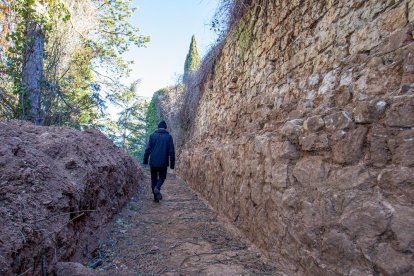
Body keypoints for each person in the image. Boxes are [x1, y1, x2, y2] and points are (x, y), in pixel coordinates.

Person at [143, 121, 175, 202]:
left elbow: (148, 149)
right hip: (163, 162)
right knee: (162, 177)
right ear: (165, 128)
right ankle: (157, 188)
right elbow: (172, 151)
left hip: (153, 162)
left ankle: (155, 198)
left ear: (158, 127)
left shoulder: (152, 136)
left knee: (153, 178)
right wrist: (172, 164)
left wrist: (145, 161)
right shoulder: (168, 137)